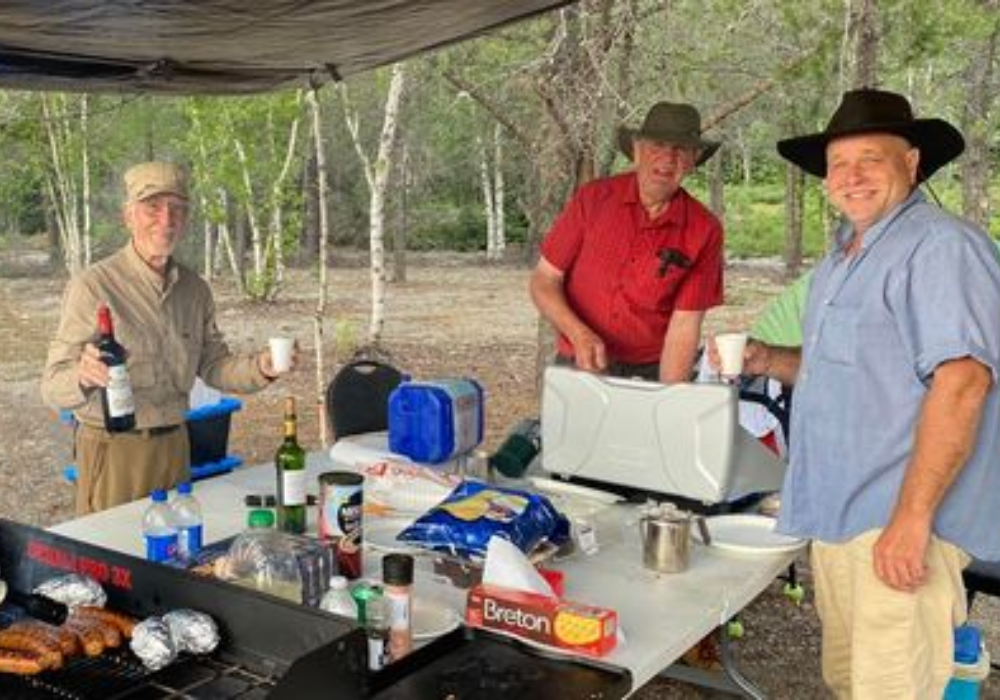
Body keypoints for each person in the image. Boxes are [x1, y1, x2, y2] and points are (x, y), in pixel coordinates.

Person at [741, 89, 1000, 698]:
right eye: (838, 165)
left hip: (899, 522)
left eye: (870, 160)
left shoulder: (940, 248)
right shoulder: (843, 256)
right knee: (852, 681)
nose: (851, 177)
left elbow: (962, 383)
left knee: (891, 688)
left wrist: (911, 521)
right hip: (840, 515)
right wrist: (766, 360)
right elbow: (850, 373)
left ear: (911, 163)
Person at [42, 161, 294, 515]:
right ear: (128, 216)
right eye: (153, 208)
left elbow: (214, 365)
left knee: (174, 553)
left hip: (176, 446)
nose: (166, 219)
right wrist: (83, 375)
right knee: (113, 558)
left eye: (176, 209)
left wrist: (262, 367)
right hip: (114, 452)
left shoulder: (195, 290)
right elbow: (53, 385)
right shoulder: (93, 286)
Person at [530, 101, 724, 383]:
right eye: (658, 144)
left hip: (649, 371)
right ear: (637, 150)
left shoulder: (705, 229)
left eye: (680, 149)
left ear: (693, 160)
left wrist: (668, 397)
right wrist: (578, 334)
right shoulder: (593, 199)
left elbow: (685, 324)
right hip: (577, 362)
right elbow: (544, 280)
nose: (667, 158)